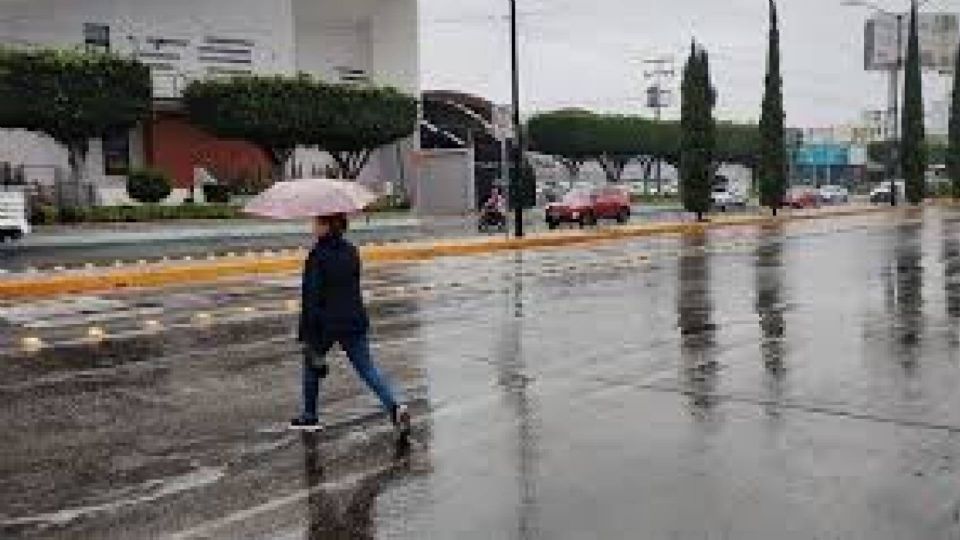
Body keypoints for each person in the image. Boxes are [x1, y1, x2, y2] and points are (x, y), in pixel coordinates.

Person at [292, 213, 410, 436]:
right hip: (354, 319)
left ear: (326, 226)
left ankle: (310, 416)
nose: (313, 226)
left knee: (311, 364)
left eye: (317, 222)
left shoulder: (317, 256)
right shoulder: (351, 251)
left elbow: (311, 297)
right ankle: (395, 407)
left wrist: (307, 332)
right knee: (367, 369)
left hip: (325, 323)